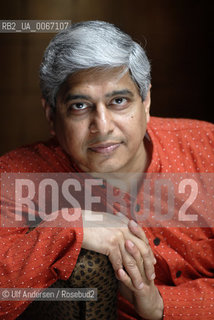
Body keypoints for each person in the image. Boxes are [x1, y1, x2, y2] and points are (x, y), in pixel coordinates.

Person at [0, 20, 213, 320]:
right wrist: (68, 227)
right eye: (79, 106)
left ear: (146, 101)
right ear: (51, 114)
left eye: (118, 101)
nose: (102, 126)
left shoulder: (207, 148)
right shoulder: (19, 176)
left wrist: (161, 305)